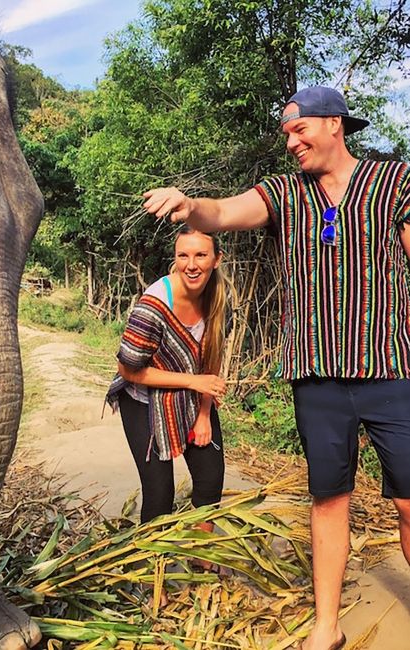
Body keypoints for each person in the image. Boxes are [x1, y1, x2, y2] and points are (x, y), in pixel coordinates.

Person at [143, 85, 410, 650]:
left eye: (299, 129)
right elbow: (223, 212)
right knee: (328, 499)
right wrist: (191, 207)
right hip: (317, 377)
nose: (291, 141)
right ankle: (326, 626)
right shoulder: (286, 195)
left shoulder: (393, 183)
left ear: (334, 123)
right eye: (286, 132)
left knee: (409, 501)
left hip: (391, 372)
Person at [106, 224, 229, 530]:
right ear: (174, 258)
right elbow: (127, 368)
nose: (191, 264)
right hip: (142, 400)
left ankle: (202, 557)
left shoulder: (216, 294)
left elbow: (210, 358)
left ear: (217, 259)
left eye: (201, 255)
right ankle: (151, 567)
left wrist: (203, 415)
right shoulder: (155, 304)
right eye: (183, 255)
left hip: (191, 397)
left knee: (211, 480)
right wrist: (191, 381)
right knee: (160, 493)